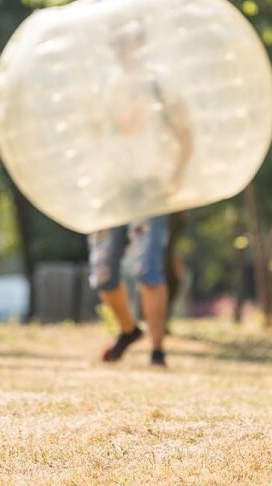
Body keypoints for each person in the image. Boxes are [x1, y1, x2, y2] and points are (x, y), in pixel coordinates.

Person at [89, 19, 193, 368]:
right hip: (112, 186)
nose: (119, 50)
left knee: (148, 270)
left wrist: (174, 176)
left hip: (149, 186)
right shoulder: (104, 82)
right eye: (114, 43)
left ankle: (157, 350)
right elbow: (94, 132)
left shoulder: (157, 81)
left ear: (139, 45)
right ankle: (128, 330)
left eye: (126, 43)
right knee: (103, 274)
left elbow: (184, 133)